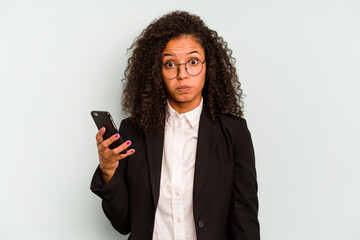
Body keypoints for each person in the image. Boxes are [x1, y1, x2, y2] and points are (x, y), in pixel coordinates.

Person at [90, 11, 260, 240]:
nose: (182, 74)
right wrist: (108, 171)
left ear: (208, 65)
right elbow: (123, 223)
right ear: (156, 71)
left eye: (192, 61)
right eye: (170, 63)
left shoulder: (233, 132)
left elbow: (245, 222)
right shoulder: (133, 132)